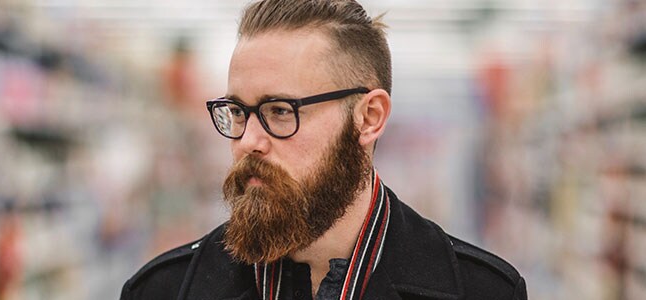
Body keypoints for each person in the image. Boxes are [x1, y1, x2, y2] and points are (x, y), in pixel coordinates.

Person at [121, 0, 527, 299]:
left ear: (369, 117)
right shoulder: (163, 290)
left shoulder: (482, 290)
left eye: (280, 111)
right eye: (237, 111)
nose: (247, 142)